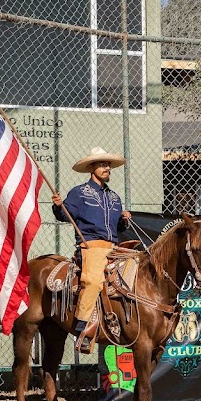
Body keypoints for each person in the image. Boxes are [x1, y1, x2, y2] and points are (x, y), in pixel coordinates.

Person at [51, 147, 132, 353]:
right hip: (90, 247)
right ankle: (82, 328)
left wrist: (124, 220)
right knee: (94, 281)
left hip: (114, 247)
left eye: (109, 165)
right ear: (91, 168)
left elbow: (118, 229)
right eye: (103, 164)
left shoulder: (115, 198)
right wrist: (59, 206)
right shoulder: (79, 193)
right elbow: (63, 215)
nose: (107, 168)